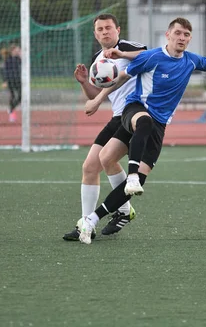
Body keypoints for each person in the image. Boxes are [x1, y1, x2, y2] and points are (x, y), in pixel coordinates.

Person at [78, 17, 206, 244]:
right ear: (168, 35)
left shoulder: (190, 61)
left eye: (186, 35)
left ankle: (91, 219)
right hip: (135, 109)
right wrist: (99, 99)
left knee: (120, 167)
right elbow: (121, 77)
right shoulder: (154, 56)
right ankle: (130, 177)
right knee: (142, 125)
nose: (182, 38)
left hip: (158, 125)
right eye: (177, 33)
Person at [62, 13, 147, 241]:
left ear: (118, 29)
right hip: (116, 116)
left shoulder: (127, 47)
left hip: (135, 114)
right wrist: (83, 83)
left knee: (106, 159)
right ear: (95, 34)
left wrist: (120, 54)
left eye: (108, 28)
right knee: (90, 166)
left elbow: (149, 56)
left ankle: (122, 209)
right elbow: (96, 97)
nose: (104, 32)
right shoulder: (97, 59)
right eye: (99, 29)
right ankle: (85, 224)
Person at [2, 44, 21, 123]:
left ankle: (11, 109)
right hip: (10, 80)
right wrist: (5, 80)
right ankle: (12, 114)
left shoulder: (18, 59)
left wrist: (21, 55)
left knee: (21, 96)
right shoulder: (8, 59)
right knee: (12, 96)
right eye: (17, 49)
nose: (18, 51)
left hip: (18, 80)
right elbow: (5, 71)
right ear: (13, 50)